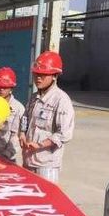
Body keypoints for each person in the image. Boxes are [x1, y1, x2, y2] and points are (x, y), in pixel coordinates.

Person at [19, 50, 75, 184]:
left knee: (45, 195)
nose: (38, 78)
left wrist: (40, 145)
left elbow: (64, 134)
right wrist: (22, 134)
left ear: (54, 76)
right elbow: (25, 118)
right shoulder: (34, 98)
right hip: (28, 160)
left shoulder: (61, 100)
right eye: (36, 74)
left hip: (46, 164)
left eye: (43, 75)